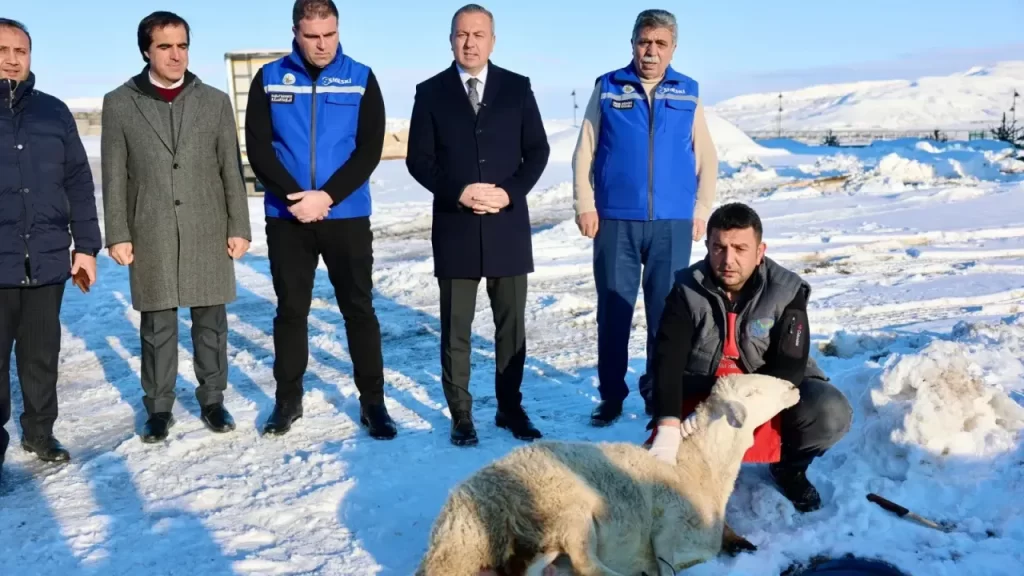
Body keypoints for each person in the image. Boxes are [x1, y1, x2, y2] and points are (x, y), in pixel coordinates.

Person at [244, 0, 396, 439]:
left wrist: (326, 197)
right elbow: (258, 148)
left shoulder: (360, 78)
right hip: (288, 215)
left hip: (346, 214)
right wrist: (297, 198)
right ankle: (287, 400)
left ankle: (373, 403)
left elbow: (368, 149)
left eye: (330, 34)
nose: (323, 44)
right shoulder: (269, 78)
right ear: (296, 33)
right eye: (313, 36)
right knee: (291, 311)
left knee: (358, 309)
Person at [101, 11, 252, 443]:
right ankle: (159, 407)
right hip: (150, 227)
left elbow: (230, 170)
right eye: (165, 46)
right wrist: (118, 232)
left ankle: (213, 399)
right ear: (146, 51)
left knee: (211, 322)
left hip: (208, 225)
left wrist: (239, 226)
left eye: (182, 45)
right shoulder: (120, 102)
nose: (176, 55)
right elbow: (114, 174)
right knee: (157, 325)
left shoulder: (214, 101)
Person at [646, 202, 853, 513]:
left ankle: (789, 468)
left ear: (759, 251)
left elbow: (790, 367)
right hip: (701, 386)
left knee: (830, 411)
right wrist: (669, 427)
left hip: (764, 389)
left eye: (740, 248)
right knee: (662, 404)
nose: (728, 259)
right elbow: (668, 359)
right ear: (708, 247)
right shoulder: (686, 288)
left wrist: (737, 402)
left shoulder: (787, 290)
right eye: (719, 248)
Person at [406, 4, 550, 446]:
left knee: (511, 328)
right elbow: (418, 160)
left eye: (478, 34)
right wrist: (459, 192)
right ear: (451, 39)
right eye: (462, 34)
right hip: (456, 227)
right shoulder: (430, 92)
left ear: (492, 40)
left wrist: (510, 192)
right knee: (456, 329)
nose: (470, 43)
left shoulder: (517, 87)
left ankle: (510, 408)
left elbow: (538, 150)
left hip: (507, 225)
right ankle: (462, 415)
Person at [572, 9, 719, 427]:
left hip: (672, 222)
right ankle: (611, 396)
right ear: (633, 44)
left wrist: (701, 210)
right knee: (613, 312)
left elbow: (706, 156)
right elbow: (584, 150)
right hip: (615, 220)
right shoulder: (608, 87)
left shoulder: (688, 91)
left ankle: (660, 395)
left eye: (660, 44)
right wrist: (585, 204)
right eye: (644, 42)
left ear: (673, 48)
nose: (650, 51)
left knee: (666, 315)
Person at [0, 18, 101, 479]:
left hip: (46, 258)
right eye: (3, 50)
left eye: (20, 51)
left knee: (41, 355)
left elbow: (78, 182)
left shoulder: (53, 112)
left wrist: (87, 247)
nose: (12, 59)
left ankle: (40, 432)